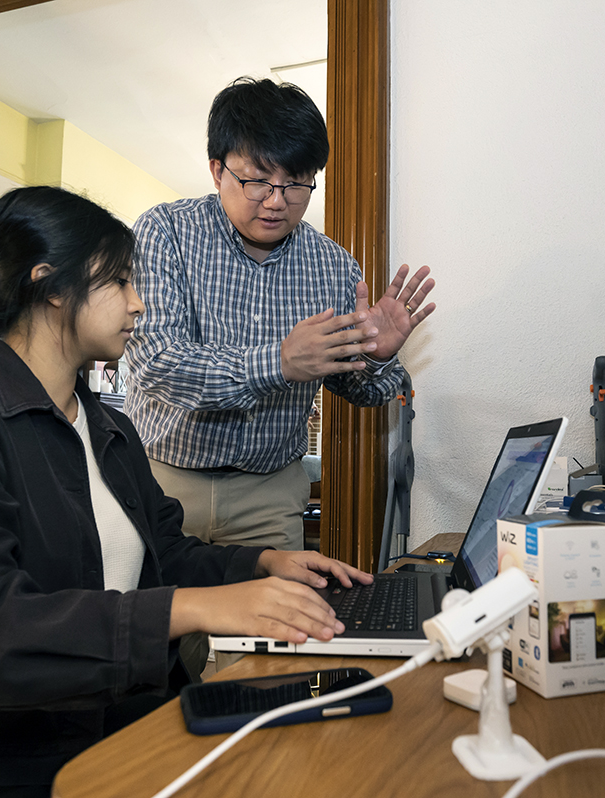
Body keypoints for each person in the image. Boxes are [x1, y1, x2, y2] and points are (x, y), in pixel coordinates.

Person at [0, 186, 370, 797]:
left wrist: (265, 563)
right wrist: (187, 610)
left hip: (86, 739)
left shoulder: (106, 426)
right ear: (51, 285)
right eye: (120, 282)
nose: (139, 304)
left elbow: (164, 553)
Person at [124, 77, 437, 553]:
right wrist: (281, 363)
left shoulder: (332, 265)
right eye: (256, 181)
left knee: (276, 625)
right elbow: (158, 365)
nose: (276, 200)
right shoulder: (165, 232)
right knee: (150, 621)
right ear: (216, 170)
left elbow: (361, 392)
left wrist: (375, 358)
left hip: (269, 496)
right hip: (161, 479)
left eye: (295, 183)